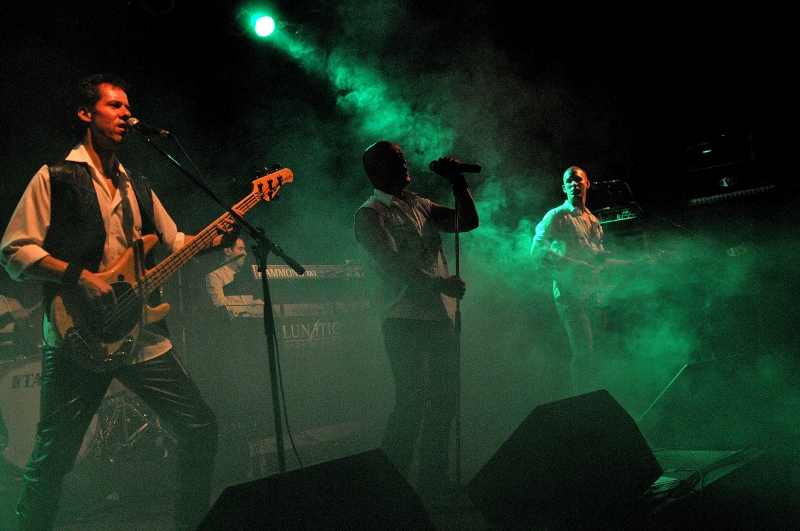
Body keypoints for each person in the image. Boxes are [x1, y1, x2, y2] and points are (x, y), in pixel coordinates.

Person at [0, 73, 236, 531]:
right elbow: (14, 249)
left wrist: (217, 237)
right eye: (115, 105)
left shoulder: (138, 185)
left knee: (200, 428)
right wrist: (78, 276)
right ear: (85, 113)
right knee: (52, 459)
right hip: (77, 335)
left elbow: (173, 241)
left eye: (128, 107)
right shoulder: (55, 177)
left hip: (141, 334)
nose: (127, 114)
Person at [353, 141, 479, 504]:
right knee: (412, 402)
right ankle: (391, 490)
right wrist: (440, 284)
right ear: (375, 171)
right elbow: (391, 263)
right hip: (403, 319)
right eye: (395, 159)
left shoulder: (419, 203)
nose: (404, 161)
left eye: (402, 156)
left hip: (439, 316)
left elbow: (467, 222)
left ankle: (432, 483)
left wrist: (457, 182)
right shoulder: (370, 214)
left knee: (444, 401)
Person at [531, 166, 650, 395]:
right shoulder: (557, 215)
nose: (573, 184)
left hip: (594, 294)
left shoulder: (594, 220)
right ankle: (583, 402)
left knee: (599, 352)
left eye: (578, 180)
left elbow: (601, 263)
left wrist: (637, 262)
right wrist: (576, 265)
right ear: (563, 187)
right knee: (584, 352)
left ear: (587, 184)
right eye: (569, 181)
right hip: (569, 294)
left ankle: (599, 397)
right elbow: (537, 251)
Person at [204, 236, 249, 313]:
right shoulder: (215, 276)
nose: (245, 253)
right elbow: (220, 304)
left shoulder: (243, 274)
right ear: (228, 251)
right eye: (240, 249)